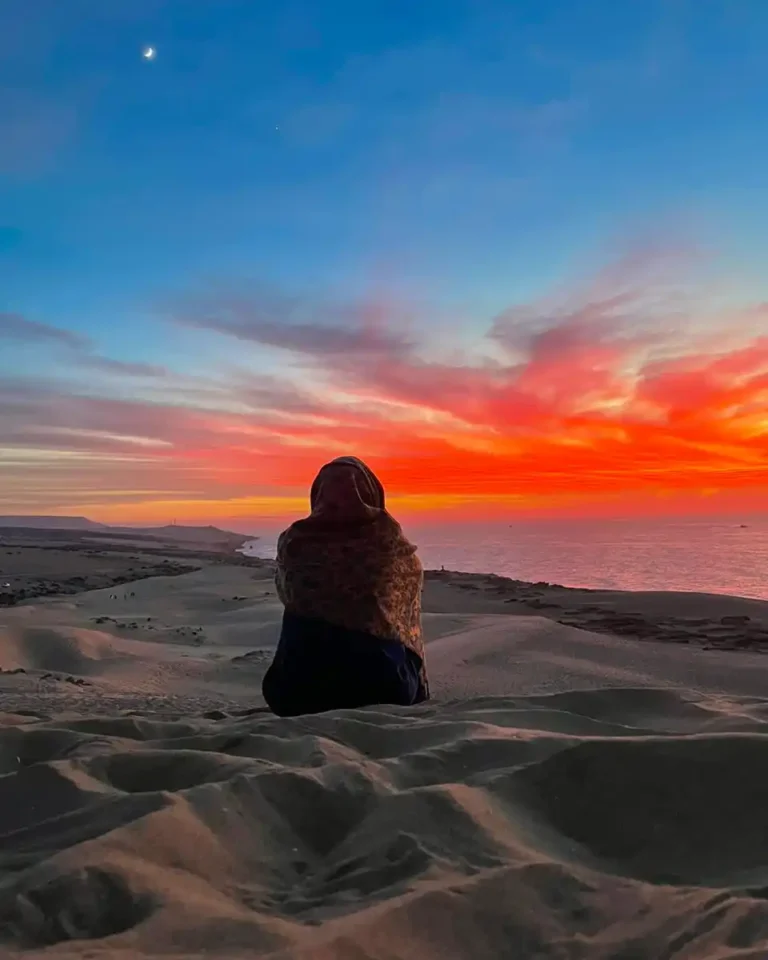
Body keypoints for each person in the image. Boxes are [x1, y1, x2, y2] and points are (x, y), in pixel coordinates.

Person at [262, 456, 429, 716]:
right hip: (381, 690)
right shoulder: (389, 544)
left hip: (293, 692)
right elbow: (403, 618)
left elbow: (288, 595)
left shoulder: (295, 543)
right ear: (370, 493)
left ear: (318, 494)